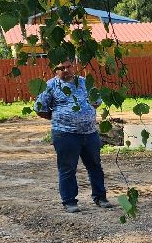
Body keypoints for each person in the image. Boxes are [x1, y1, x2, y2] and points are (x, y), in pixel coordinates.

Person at [34, 59, 115, 213]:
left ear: (74, 67)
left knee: (95, 166)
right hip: (65, 134)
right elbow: (40, 108)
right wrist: (60, 117)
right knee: (67, 168)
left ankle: (100, 197)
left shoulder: (85, 83)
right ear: (55, 70)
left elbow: (96, 101)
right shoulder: (51, 85)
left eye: (68, 66)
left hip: (90, 133)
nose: (65, 70)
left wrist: (85, 113)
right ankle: (69, 201)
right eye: (61, 67)